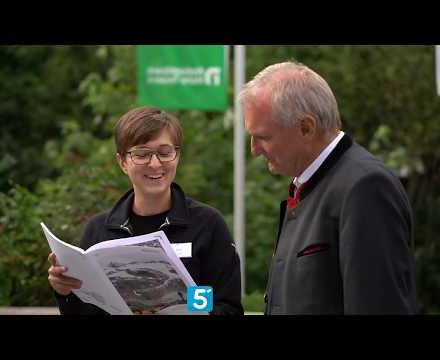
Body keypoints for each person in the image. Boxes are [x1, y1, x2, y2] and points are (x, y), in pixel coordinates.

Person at [239, 61, 417, 314]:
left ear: (306, 128)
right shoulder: (311, 184)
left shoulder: (364, 188)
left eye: (263, 137)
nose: (254, 150)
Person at [47, 106, 243, 315]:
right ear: (122, 162)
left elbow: (228, 308)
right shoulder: (98, 231)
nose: (155, 163)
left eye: (165, 152)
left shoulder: (207, 224)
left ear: (177, 156)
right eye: (142, 154)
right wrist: (64, 291)